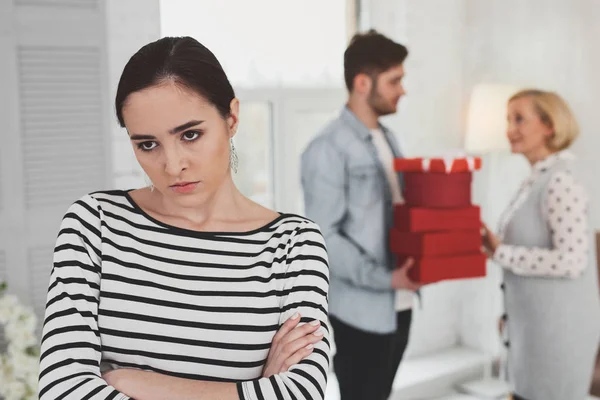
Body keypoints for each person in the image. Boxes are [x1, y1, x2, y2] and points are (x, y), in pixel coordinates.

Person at [38, 36, 330, 400]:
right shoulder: (94, 225)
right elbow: (61, 389)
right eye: (147, 144)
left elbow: (302, 393)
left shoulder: (294, 244)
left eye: (190, 134)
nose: (173, 165)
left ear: (232, 117)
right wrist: (255, 390)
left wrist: (137, 383)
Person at [300, 30, 421, 400]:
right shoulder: (327, 148)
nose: (403, 89)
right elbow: (326, 238)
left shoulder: (388, 138)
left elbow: (397, 215)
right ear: (362, 82)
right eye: (395, 80)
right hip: (361, 309)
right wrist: (387, 278)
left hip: (400, 301)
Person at [482, 89, 600, 400]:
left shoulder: (561, 181)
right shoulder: (535, 179)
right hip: (534, 326)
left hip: (560, 333)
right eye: (508, 120)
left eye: (519, 119)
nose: (510, 129)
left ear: (549, 125)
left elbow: (573, 261)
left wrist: (501, 252)